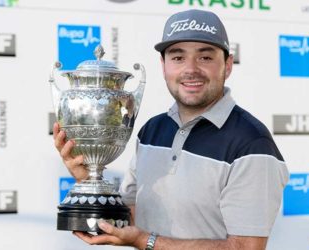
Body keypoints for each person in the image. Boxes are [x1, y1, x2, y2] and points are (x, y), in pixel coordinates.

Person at [53, 9, 289, 250]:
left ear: (227, 66)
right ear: (163, 65)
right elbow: (132, 219)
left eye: (205, 57)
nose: (191, 69)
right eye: (178, 58)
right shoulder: (152, 131)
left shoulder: (252, 144)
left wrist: (145, 241)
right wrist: (88, 177)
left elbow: (246, 247)